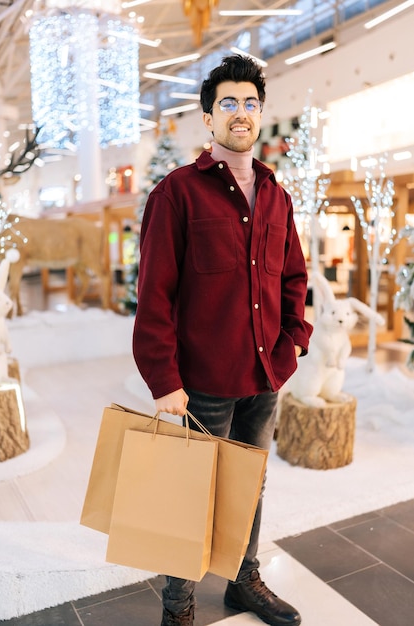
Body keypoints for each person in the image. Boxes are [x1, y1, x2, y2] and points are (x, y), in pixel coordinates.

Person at [133, 54, 312, 626]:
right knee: (190, 495)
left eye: (250, 103)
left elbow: (294, 278)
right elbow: (154, 295)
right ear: (208, 118)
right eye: (228, 103)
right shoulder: (177, 194)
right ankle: (178, 605)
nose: (241, 112)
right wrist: (165, 382)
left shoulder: (276, 196)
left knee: (249, 488)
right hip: (201, 384)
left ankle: (243, 580)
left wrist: (296, 343)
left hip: (264, 377)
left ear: (260, 115)